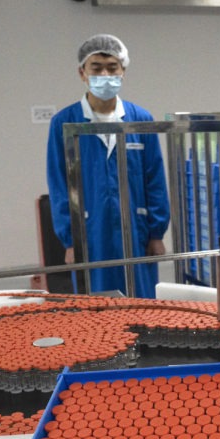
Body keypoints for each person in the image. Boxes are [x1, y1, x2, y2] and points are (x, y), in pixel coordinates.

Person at [46, 34, 170, 297]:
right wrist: (70, 240)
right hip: (90, 232)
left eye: (112, 68)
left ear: (123, 71)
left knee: (142, 301)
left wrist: (157, 232)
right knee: (97, 308)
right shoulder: (65, 123)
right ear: (82, 73)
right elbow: (59, 184)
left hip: (138, 231)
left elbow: (154, 178)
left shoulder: (140, 119)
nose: (105, 75)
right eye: (96, 68)